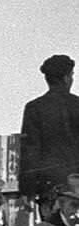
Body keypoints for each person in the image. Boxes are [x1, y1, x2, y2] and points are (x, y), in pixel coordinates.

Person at [19, 54, 79, 201]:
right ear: (66, 78)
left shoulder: (34, 108)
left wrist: (27, 190)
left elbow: (30, 152)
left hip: (50, 185)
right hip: (78, 183)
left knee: (52, 223)